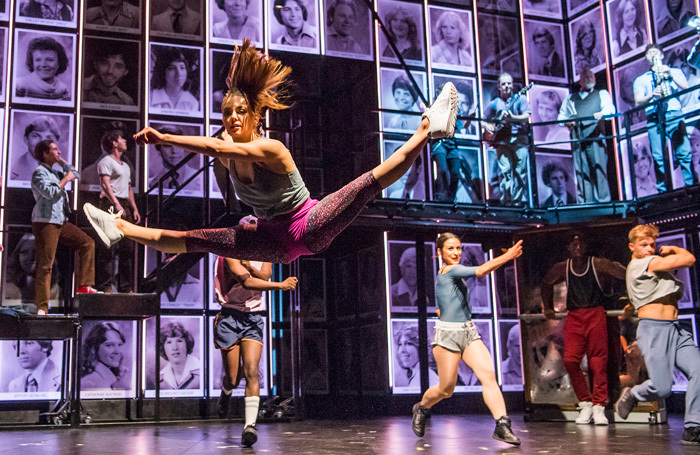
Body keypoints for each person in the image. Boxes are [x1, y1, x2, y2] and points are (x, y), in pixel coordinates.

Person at [83, 39, 459, 264]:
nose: (232, 119)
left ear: (255, 116)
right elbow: (219, 142)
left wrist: (166, 138)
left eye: (240, 113)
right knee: (194, 239)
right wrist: (237, 81)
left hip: (306, 224)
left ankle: (428, 128)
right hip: (271, 239)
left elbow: (213, 145)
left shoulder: (271, 147)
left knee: (365, 185)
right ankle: (119, 228)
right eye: (227, 113)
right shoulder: (229, 144)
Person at [411, 233, 523, 445]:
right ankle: (422, 407)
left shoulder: (450, 277)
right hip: (447, 337)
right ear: (439, 253)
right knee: (446, 389)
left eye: (459, 248)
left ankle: (502, 425)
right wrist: (508, 256)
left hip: (469, 333)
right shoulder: (448, 271)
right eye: (450, 249)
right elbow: (481, 271)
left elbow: (439, 308)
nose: (456, 253)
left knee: (488, 375)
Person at [214, 218, 298, 446]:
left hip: (253, 318)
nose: (253, 231)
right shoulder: (229, 251)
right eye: (248, 228)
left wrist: (252, 267)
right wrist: (280, 285)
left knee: (252, 371)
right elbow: (247, 282)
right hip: (230, 316)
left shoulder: (264, 251)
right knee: (233, 377)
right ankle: (226, 391)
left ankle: (249, 426)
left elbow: (265, 275)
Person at [615, 224, 700, 445]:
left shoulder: (655, 265)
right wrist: (673, 247)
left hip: (675, 329)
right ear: (632, 247)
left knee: (699, 371)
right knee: (662, 388)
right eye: (644, 244)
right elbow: (689, 259)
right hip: (654, 330)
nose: (649, 248)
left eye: (652, 244)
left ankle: (693, 428)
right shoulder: (641, 264)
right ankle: (633, 394)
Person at [541, 232, 626, 425]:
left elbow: (624, 274)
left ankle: (598, 406)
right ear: (568, 247)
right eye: (574, 243)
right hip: (575, 316)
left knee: (598, 363)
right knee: (570, 360)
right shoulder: (562, 267)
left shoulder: (598, 263)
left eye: (581, 243)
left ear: (587, 245)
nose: (578, 247)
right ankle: (585, 403)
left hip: (596, 313)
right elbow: (546, 283)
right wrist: (548, 307)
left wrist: (631, 297)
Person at [32, 140, 97, 315]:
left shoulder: (54, 171)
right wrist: (66, 179)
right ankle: (42, 307)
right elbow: (51, 193)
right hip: (45, 221)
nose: (59, 151)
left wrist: (62, 162)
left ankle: (84, 285)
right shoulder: (39, 172)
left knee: (87, 243)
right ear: (45, 153)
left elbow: (75, 173)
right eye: (54, 149)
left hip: (59, 220)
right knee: (46, 265)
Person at [633, 43, 695, 192]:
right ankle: (663, 191)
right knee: (658, 156)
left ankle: (692, 187)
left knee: (683, 152)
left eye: (656, 52)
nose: (653, 55)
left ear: (661, 55)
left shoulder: (674, 71)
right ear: (646, 58)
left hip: (673, 113)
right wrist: (652, 95)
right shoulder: (641, 80)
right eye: (650, 53)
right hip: (654, 117)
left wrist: (670, 74)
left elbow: (685, 87)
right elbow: (638, 100)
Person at [558, 67, 615, 203]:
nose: (589, 79)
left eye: (591, 77)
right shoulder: (571, 98)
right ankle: (585, 202)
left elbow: (609, 109)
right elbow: (561, 117)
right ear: (580, 81)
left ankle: (603, 201)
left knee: (599, 168)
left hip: (595, 136)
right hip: (577, 137)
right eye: (586, 77)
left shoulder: (601, 94)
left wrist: (601, 114)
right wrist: (567, 122)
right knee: (581, 171)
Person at [95, 129, 140, 293]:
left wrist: (133, 207)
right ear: (114, 143)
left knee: (127, 248)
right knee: (108, 247)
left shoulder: (126, 165)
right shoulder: (106, 161)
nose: (125, 141)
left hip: (123, 204)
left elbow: (128, 188)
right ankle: (105, 285)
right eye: (122, 139)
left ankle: (125, 287)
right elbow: (105, 185)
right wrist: (116, 204)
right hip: (110, 204)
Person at [483, 72, 531, 205]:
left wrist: (513, 118)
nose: (506, 86)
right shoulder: (495, 103)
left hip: (519, 140)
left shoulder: (520, 99)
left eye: (509, 83)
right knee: (505, 172)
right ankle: (506, 202)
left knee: (520, 171)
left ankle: (517, 202)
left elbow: (527, 116)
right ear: (499, 86)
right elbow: (482, 119)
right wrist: (489, 127)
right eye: (504, 84)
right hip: (502, 141)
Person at [15, 37, 70, 101]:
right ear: (32, 62)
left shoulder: (63, 89)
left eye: (49, 60)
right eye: (38, 60)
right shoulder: (19, 85)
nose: (43, 64)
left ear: (59, 63)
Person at [149, 125, 202, 192]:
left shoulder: (202, 178)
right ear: (159, 151)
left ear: (185, 149)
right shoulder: (150, 184)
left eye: (178, 145)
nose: (174, 151)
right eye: (168, 146)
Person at [11, 115, 61, 182]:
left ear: (56, 143)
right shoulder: (10, 171)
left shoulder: (62, 171)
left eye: (49, 138)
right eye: (36, 136)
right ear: (26, 139)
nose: (42, 143)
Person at [81, 322, 129, 390]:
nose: (117, 351)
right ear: (94, 348)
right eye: (109, 345)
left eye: (120, 345)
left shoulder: (112, 379)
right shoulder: (92, 383)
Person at [150, 47, 200, 112]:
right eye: (172, 68)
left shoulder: (193, 103)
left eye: (182, 68)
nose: (179, 73)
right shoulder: (150, 97)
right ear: (163, 71)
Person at [158, 322, 200, 390]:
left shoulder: (203, 373)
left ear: (187, 343)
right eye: (169, 342)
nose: (175, 347)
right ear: (163, 347)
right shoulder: (160, 378)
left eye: (179, 341)